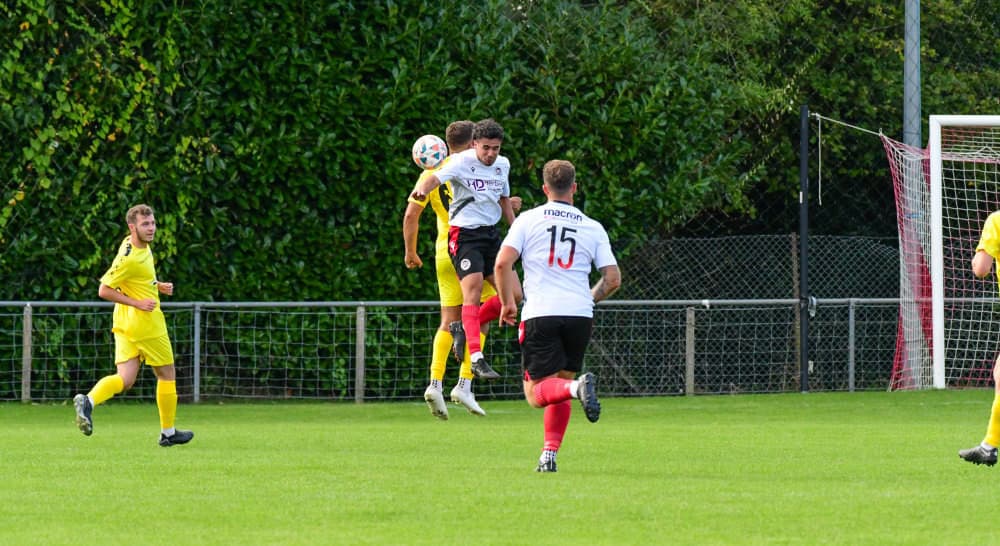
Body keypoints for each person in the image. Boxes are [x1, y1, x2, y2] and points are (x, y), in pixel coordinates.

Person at [495, 159, 621, 473]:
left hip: (541, 312)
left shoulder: (528, 220)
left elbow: (502, 264)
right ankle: (548, 455)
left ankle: (578, 389)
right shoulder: (592, 227)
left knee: (536, 394)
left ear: (545, 188)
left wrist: (507, 302)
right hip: (579, 315)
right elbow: (612, 279)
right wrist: (588, 299)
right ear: (574, 188)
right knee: (559, 385)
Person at [404, 120, 519, 419]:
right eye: (484, 147)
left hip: (448, 249)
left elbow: (411, 215)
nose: (490, 153)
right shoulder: (453, 166)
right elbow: (434, 187)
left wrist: (411, 252)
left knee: (455, 318)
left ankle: (436, 384)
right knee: (477, 306)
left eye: (495, 148)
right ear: (472, 143)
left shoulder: (439, 168)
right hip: (462, 241)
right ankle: (466, 381)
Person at [73, 204, 194, 447]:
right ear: (132, 227)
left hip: (124, 322)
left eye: (153, 223)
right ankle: (168, 433)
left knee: (125, 379)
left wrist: (156, 285)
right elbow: (104, 290)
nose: (151, 228)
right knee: (167, 374)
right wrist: (138, 302)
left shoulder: (131, 244)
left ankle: (89, 401)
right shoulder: (129, 258)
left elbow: (133, 278)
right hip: (145, 323)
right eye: (145, 224)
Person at [959, 210, 1000, 466]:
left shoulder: (996, 221)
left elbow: (981, 269)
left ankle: (989, 446)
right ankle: (989, 445)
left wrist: (977, 258)